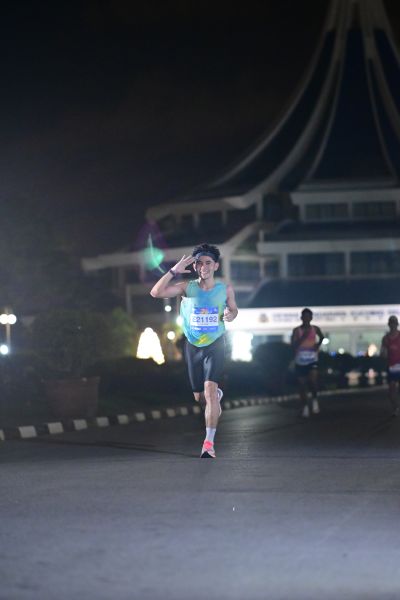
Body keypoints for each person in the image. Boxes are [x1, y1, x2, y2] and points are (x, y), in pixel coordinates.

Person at [150, 243, 238, 458]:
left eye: (208, 263)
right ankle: (215, 398)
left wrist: (231, 314)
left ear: (216, 266)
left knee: (209, 391)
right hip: (193, 346)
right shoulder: (186, 287)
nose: (203, 267)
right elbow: (155, 292)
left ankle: (208, 443)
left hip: (216, 344)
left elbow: (234, 309)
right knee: (200, 397)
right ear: (195, 266)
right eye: (199, 263)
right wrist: (173, 271)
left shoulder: (224, 288)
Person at [291, 308, 324, 418]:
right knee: (302, 385)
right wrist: (303, 337)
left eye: (308, 317)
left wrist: (318, 345)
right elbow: (293, 345)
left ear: (311, 318)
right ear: (301, 318)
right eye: (304, 316)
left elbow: (322, 337)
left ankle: (314, 400)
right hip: (300, 360)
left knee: (313, 381)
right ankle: (305, 407)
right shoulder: (296, 330)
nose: (306, 319)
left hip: (312, 359)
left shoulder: (315, 329)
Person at [380, 315, 400, 417]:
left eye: (394, 323)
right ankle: (396, 408)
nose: (393, 325)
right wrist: (383, 354)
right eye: (391, 323)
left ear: (397, 324)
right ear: (389, 324)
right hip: (391, 366)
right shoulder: (386, 338)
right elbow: (382, 352)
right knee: (391, 390)